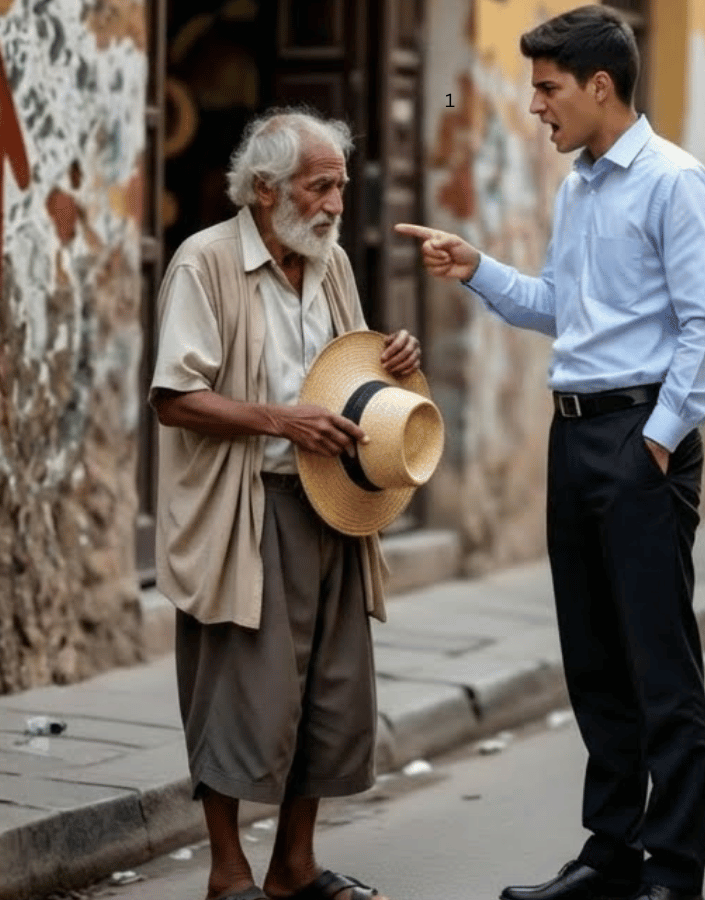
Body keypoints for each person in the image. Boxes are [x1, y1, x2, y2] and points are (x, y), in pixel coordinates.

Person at [397, 7, 705, 900]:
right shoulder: (579, 186)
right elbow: (562, 307)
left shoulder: (674, 181)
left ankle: (673, 871)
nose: (535, 105)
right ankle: (609, 854)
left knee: (658, 668)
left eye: (547, 88)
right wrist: (476, 268)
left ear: (599, 85)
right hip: (575, 434)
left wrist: (659, 442)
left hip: (640, 438)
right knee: (593, 660)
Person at [150, 107, 421, 900]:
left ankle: (293, 866)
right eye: (321, 186)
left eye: (339, 185)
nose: (339, 203)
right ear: (266, 191)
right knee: (236, 691)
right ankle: (227, 870)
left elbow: (354, 379)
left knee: (332, 692)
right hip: (245, 509)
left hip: (333, 502)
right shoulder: (204, 264)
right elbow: (173, 398)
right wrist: (281, 419)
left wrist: (394, 362)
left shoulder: (329, 263)